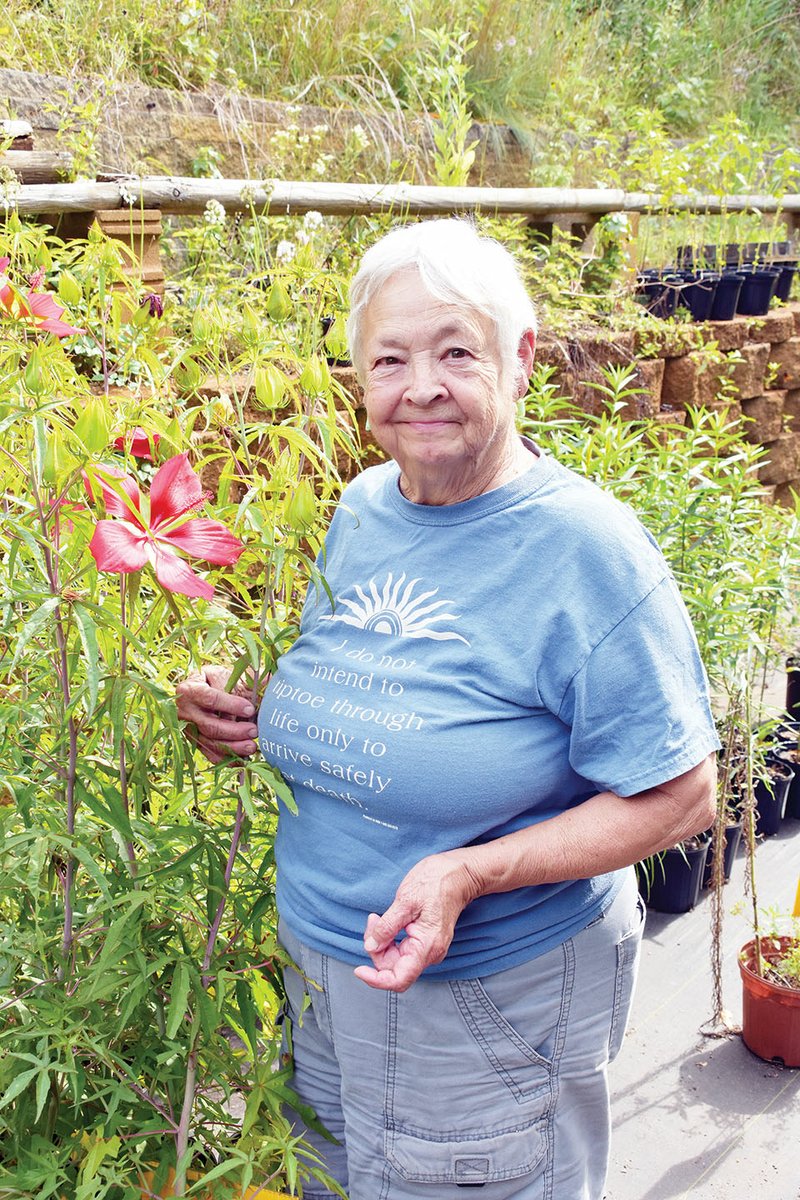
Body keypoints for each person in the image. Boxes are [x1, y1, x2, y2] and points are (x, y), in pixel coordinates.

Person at [176, 218, 719, 1200]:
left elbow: (680, 797)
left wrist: (471, 871)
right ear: (359, 379)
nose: (418, 384)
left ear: (518, 362)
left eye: (453, 351)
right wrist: (251, 704)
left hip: (483, 1003)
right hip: (322, 974)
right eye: (388, 359)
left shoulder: (583, 548)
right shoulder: (361, 510)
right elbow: (357, 669)